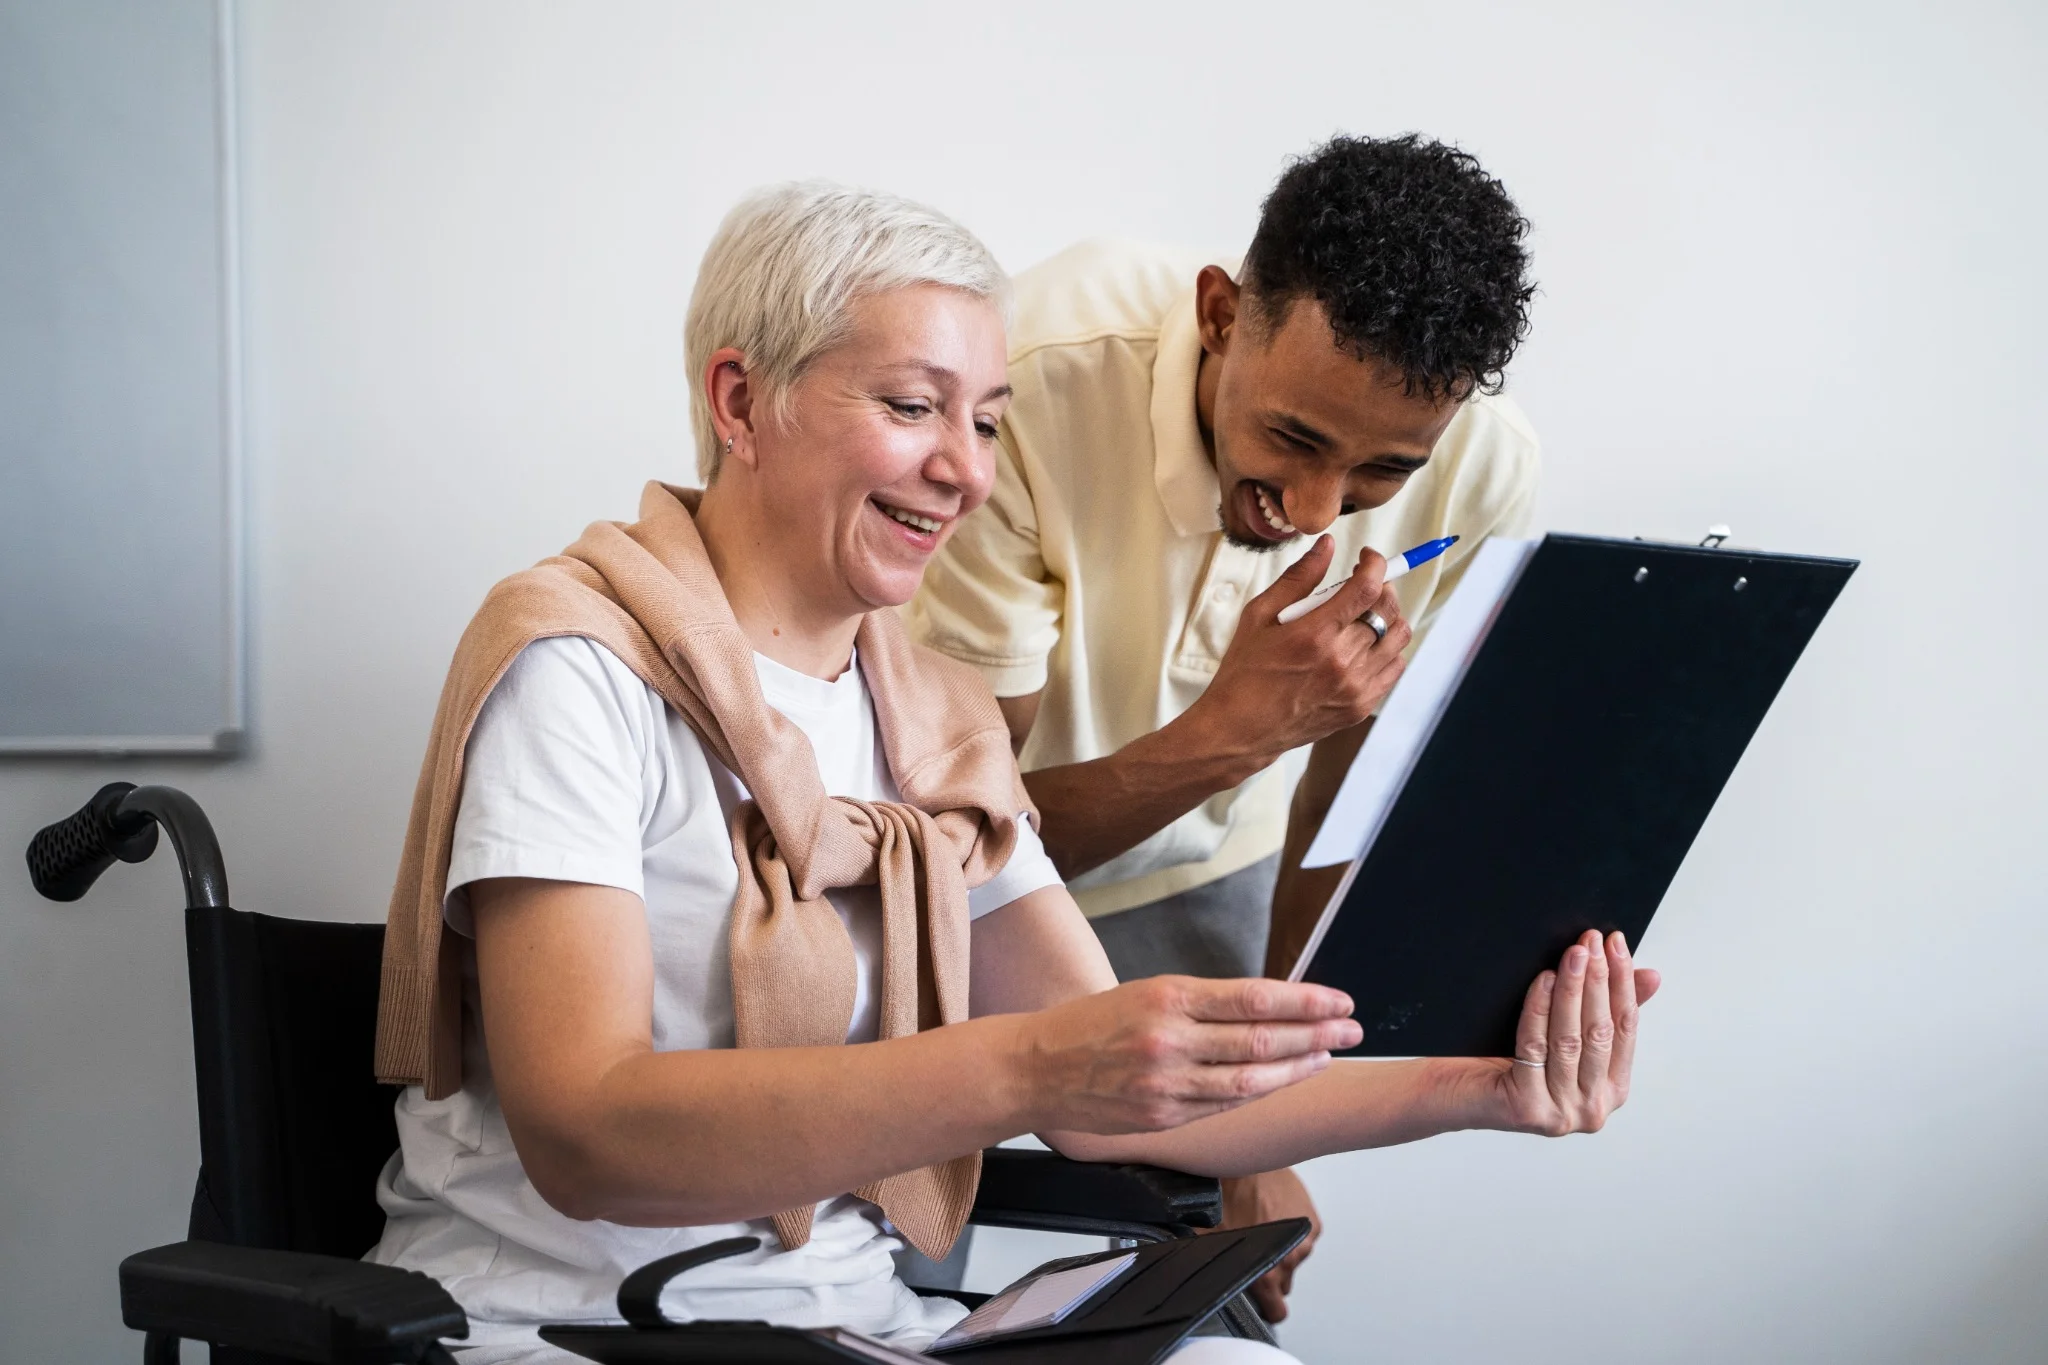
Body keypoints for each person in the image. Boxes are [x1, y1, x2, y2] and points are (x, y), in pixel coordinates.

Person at [367, 183, 1655, 1364]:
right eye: (912, 407)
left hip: (850, 1325)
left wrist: (1489, 1088)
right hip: (553, 1324)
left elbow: (1130, 1111)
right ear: (738, 401)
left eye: (985, 423)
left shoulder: (931, 723)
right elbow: (585, 1130)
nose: (967, 471)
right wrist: (1027, 1068)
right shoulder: (574, 669)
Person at [907, 134, 1543, 1317]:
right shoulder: (1026, 382)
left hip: (1216, 876)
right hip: (986, 873)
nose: (1313, 512)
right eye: (1294, 439)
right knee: (903, 1249)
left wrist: (1268, 1110)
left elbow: (1347, 790)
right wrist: (1240, 728)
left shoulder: (1483, 476)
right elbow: (953, 852)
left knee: (1217, 1278)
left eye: (1376, 475)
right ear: (1216, 315)